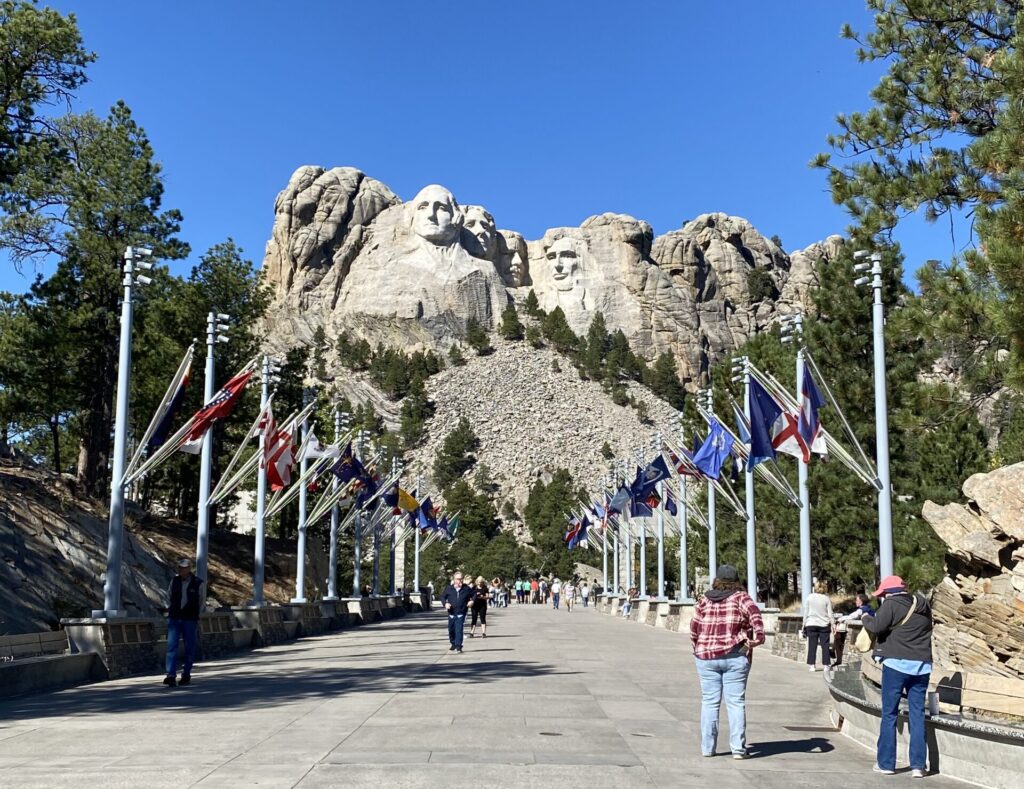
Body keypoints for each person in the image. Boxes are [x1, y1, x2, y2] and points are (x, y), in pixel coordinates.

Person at [689, 565, 765, 759]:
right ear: (736, 581)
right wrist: (758, 639)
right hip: (735, 655)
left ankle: (708, 748)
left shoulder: (704, 600)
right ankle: (738, 749)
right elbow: (756, 617)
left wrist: (697, 647)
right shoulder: (741, 598)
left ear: (717, 580)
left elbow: (694, 627)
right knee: (736, 703)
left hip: (706, 656)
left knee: (709, 702)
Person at [862, 575, 933, 779]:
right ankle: (918, 766)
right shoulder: (924, 605)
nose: (882, 598)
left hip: (896, 666)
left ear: (888, 593)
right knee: (917, 715)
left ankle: (886, 764)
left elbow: (875, 627)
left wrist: (866, 618)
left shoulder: (891, 604)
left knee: (890, 714)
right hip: (922, 666)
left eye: (882, 594)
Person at [163, 558, 204, 687]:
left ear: (189, 569)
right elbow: (169, 596)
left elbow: (201, 601)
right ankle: (170, 675)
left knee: (189, 647)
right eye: (180, 568)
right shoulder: (174, 581)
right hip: (175, 617)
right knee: (171, 646)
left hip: (190, 619)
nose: (182, 570)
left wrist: (197, 614)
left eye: (184, 568)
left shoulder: (198, 583)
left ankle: (186, 674)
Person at [833, 592, 874, 667]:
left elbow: (852, 616)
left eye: (857, 600)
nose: (856, 602)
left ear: (861, 601)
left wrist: (840, 619)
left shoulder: (862, 609)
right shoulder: (870, 608)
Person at [440, 571, 475, 653]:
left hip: (461, 612)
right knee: (451, 630)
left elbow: (474, 594)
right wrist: (445, 604)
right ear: (454, 579)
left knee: (459, 629)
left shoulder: (466, 588)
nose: (460, 581)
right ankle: (453, 643)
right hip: (451, 613)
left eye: (462, 579)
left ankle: (459, 646)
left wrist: (472, 601)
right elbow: (442, 597)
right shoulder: (449, 588)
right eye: (458, 579)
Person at [802, 581, 834, 672]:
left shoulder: (809, 597)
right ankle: (826, 665)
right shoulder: (826, 599)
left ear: (815, 588)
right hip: (824, 624)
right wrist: (833, 623)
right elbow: (830, 613)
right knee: (825, 645)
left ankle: (812, 665)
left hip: (811, 624)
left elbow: (806, 612)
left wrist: (803, 624)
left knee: (812, 645)